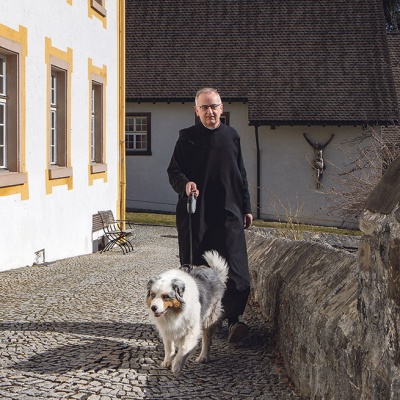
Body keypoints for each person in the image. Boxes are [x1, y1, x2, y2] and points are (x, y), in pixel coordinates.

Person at [167, 87, 253, 343]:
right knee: (197, 269)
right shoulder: (187, 139)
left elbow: (241, 175)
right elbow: (173, 171)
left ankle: (234, 319)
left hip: (229, 211)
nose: (210, 112)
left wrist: (247, 207)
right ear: (197, 111)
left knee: (236, 269)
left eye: (214, 106)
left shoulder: (231, 137)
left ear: (221, 108)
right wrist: (185, 185)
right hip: (197, 215)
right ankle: (196, 321)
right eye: (204, 107)